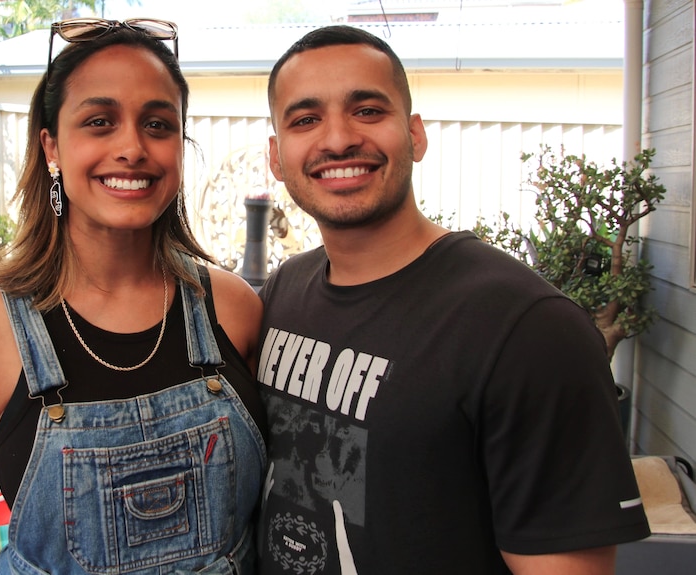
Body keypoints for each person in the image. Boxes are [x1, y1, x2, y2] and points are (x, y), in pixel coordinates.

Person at [256, 25, 650, 574]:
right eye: (305, 120)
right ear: (277, 157)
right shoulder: (284, 291)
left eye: (368, 110)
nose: (338, 139)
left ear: (415, 135)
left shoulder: (527, 328)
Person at [0, 18, 266, 575]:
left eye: (157, 124)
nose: (131, 147)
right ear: (51, 146)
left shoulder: (233, 308)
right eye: (100, 122)